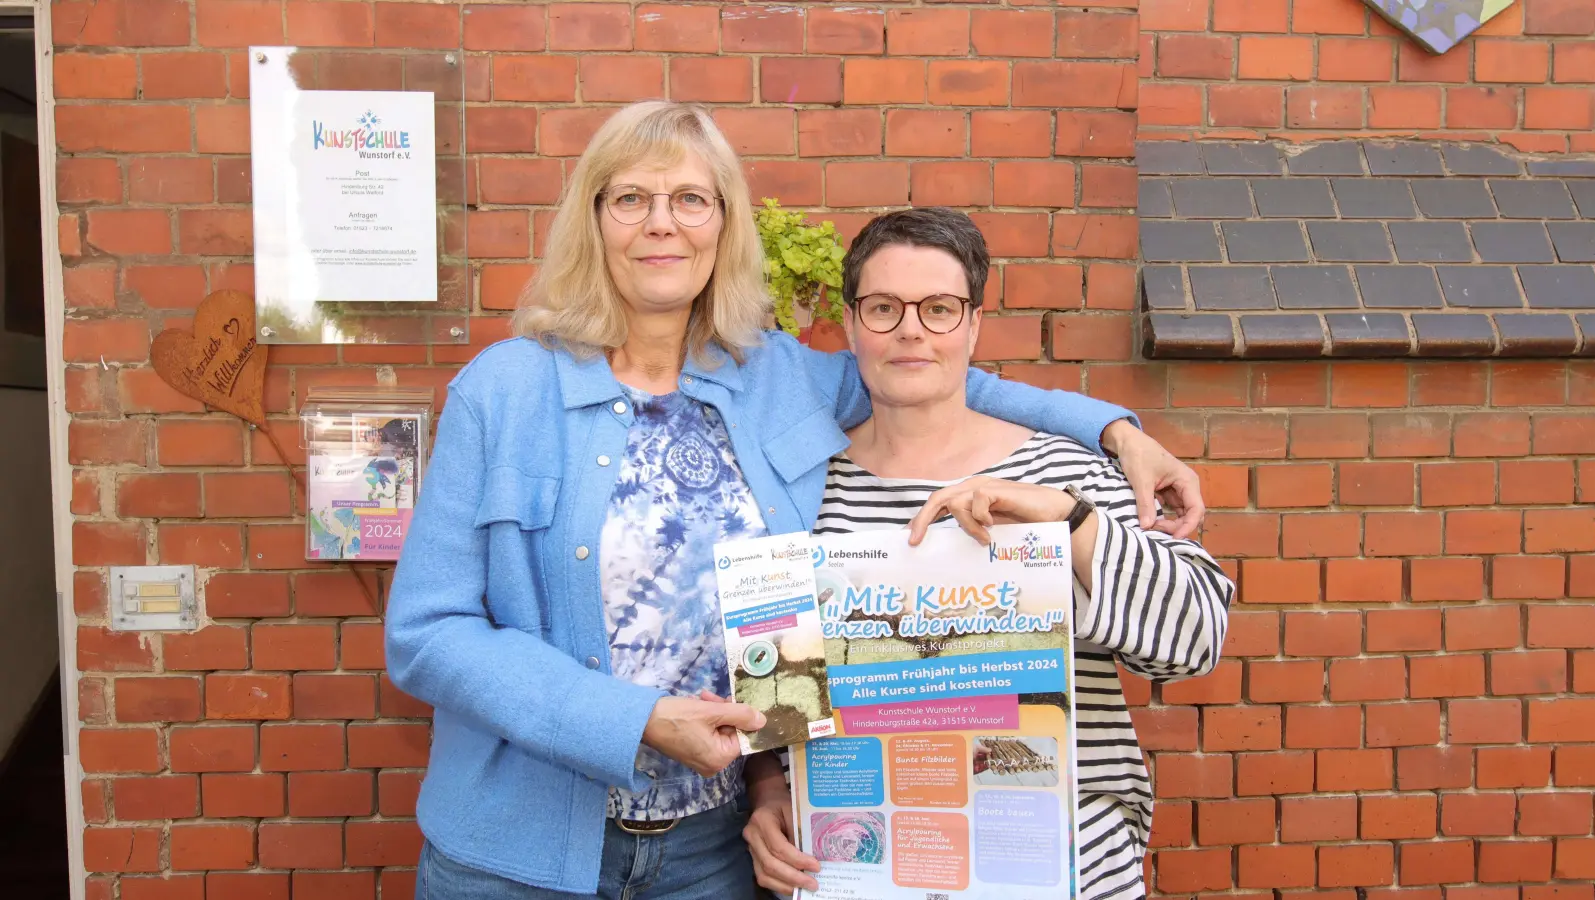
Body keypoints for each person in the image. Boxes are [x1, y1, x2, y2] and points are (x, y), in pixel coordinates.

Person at [385, 100, 1206, 900]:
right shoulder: (502, 391)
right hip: (514, 857)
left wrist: (1115, 433)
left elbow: (933, 366)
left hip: (710, 853)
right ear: (594, 219)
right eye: (631, 198)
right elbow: (428, 631)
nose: (661, 223)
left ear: (724, 223)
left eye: (690, 200)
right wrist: (629, 720)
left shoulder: (776, 376)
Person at [741, 208, 1235, 900]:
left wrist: (1070, 524)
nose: (911, 329)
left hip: (1067, 876)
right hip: (861, 875)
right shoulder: (801, 495)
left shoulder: (1073, 476)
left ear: (972, 324)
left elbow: (1195, 640)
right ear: (851, 325)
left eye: (939, 308)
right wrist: (766, 794)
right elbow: (777, 697)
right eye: (884, 308)